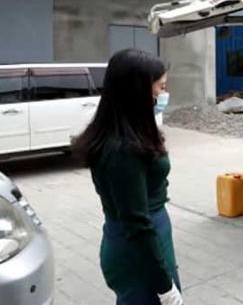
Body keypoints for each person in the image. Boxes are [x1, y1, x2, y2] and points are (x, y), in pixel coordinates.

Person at [75, 49, 183, 305]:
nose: (163, 95)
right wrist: (164, 287)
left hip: (150, 240)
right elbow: (136, 224)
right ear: (138, 92)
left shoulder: (133, 132)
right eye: (160, 88)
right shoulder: (122, 150)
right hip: (138, 251)